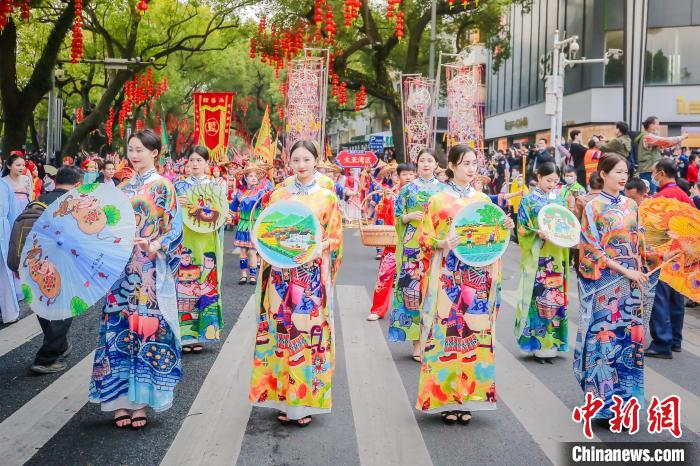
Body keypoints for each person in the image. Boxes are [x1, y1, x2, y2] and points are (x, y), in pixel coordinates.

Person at [89, 129, 183, 429]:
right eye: (131, 149)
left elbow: (175, 228)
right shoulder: (121, 186)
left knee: (147, 329)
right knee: (118, 329)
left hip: (148, 271)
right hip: (119, 270)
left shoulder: (164, 186)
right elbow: (105, 222)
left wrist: (155, 245)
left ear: (155, 153)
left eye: (141, 149)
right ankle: (117, 402)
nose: (135, 154)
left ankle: (141, 402)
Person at [416, 144, 514, 425]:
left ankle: (470, 396)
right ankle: (446, 398)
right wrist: (442, 243)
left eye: (474, 163)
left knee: (474, 333)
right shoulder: (437, 200)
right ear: (452, 166)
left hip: (477, 275)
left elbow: (492, 239)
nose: (471, 169)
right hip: (448, 274)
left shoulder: (482, 199)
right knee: (447, 334)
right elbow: (424, 237)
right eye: (465, 163)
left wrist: (504, 226)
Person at [248, 139, 343, 427]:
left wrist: (320, 246)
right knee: (281, 332)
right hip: (280, 274)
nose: (301, 166)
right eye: (296, 160)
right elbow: (265, 232)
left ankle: (304, 402)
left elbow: (336, 237)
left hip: (311, 278)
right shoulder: (278, 195)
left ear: (317, 161)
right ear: (289, 162)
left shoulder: (327, 197)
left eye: (306, 160)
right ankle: (282, 397)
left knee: (306, 333)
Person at [574, 153, 659, 427]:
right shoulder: (592, 206)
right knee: (605, 343)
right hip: (605, 284)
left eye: (626, 172)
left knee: (628, 344)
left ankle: (625, 406)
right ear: (603, 174)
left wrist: (654, 259)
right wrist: (624, 270)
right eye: (618, 172)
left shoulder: (631, 206)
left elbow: (640, 243)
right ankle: (602, 406)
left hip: (632, 284)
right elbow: (591, 248)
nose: (623, 177)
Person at [25, 166, 84, 373]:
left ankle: (60, 345)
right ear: (78, 184)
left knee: (44, 305)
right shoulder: (73, 204)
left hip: (33, 264)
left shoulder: (38, 200)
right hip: (61, 266)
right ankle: (45, 358)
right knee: (64, 309)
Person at [389, 148, 445, 361]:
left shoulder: (443, 191)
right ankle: (416, 343)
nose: (426, 164)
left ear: (436, 165)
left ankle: (431, 340)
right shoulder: (407, 189)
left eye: (430, 161)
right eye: (422, 160)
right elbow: (396, 217)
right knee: (412, 295)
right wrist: (407, 216)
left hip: (435, 247)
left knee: (434, 294)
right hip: (412, 248)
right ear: (416, 164)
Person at [515, 162, 569, 362]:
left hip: (556, 254)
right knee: (538, 298)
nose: (552, 184)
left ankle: (553, 342)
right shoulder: (528, 201)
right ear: (538, 177)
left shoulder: (560, 200)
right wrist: (535, 233)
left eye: (555, 181)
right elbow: (521, 229)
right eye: (548, 180)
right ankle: (536, 342)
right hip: (538, 255)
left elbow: (567, 224)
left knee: (555, 297)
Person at [173, 146, 225, 354]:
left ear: (207, 163)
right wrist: (178, 203)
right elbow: (170, 214)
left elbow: (221, 214)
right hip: (185, 241)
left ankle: (202, 334)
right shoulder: (178, 187)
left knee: (205, 282)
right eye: (191, 160)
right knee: (184, 285)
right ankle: (185, 336)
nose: (195, 164)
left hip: (206, 241)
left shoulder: (215, 187)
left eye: (199, 160)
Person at [645, 157, 693, 359]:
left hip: (664, 255)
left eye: (654, 172)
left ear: (661, 173)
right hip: (683, 254)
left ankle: (661, 343)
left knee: (660, 299)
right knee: (676, 299)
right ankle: (675, 341)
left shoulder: (661, 198)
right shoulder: (684, 195)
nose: (653, 175)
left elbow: (653, 229)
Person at [367, 163, 416, 321]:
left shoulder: (421, 194)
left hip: (414, 243)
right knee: (384, 275)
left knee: (413, 279)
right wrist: (387, 200)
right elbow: (380, 214)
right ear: (398, 176)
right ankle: (378, 309)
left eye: (411, 174)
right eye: (404, 174)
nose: (408, 177)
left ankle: (413, 312)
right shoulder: (392, 193)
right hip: (393, 243)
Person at [229, 162, 271, 285]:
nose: (254, 178)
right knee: (243, 251)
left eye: (255, 176)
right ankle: (243, 275)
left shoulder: (261, 193)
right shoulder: (239, 194)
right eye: (251, 176)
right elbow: (232, 210)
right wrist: (227, 218)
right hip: (243, 225)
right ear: (245, 178)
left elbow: (266, 206)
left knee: (252, 252)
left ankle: (253, 276)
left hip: (254, 225)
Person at [635, 116, 687, 194]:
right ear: (651, 125)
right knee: (650, 194)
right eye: (657, 124)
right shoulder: (648, 137)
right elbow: (666, 141)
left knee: (651, 193)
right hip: (648, 170)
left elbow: (667, 144)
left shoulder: (648, 137)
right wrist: (682, 137)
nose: (658, 127)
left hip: (649, 169)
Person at [0, 175, 20, 324]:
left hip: (4, 230)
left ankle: (9, 312)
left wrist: (16, 237)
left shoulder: (4, 185)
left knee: (5, 272)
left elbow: (13, 213)